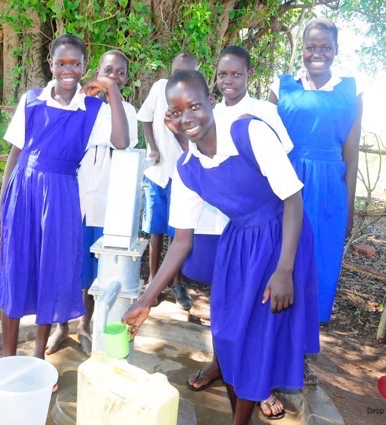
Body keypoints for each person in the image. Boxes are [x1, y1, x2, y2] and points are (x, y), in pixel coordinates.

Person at [124, 70, 319, 425]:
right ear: (169, 115)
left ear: (211, 103)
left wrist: (285, 270)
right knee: (227, 337)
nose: (188, 117)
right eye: (177, 110)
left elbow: (292, 199)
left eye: (195, 106)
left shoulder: (249, 133)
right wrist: (145, 300)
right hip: (239, 246)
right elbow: (181, 242)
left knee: (256, 339)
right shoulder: (188, 168)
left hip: (280, 239)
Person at [0, 34, 129, 401]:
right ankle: (5, 367)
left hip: (61, 197)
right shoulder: (31, 101)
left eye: (76, 64)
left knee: (51, 277)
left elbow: (122, 143)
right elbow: (15, 154)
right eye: (61, 63)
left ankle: (38, 362)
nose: (68, 71)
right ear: (51, 63)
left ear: (85, 66)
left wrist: (111, 90)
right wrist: (0, 211)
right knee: (13, 277)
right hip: (22, 194)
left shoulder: (93, 108)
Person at [184, 45, 295, 420]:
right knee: (229, 317)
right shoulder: (202, 126)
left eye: (236, 73)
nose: (229, 79)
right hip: (231, 230)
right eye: (223, 74)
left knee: (260, 322)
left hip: (267, 231)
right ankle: (230, 374)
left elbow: (284, 183)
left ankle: (258, 388)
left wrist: (284, 268)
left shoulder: (260, 118)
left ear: (249, 74)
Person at [268, 18, 363, 329]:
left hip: (328, 192)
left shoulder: (351, 90)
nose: (317, 53)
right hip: (285, 184)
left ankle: (303, 351)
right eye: (311, 47)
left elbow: (351, 152)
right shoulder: (281, 86)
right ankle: (273, 344)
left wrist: (347, 208)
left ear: (336, 50)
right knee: (279, 262)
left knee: (319, 269)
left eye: (325, 47)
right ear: (302, 50)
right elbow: (265, 142)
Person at [45, 50, 139, 356]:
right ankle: (61, 325)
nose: (113, 75)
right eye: (107, 70)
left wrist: (110, 94)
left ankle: (85, 325)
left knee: (92, 271)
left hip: (106, 204)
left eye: (119, 72)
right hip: (72, 197)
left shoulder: (128, 111)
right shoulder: (79, 106)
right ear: (95, 71)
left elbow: (122, 142)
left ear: (125, 78)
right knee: (66, 263)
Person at [138, 52, 198, 311]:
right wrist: (153, 147)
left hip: (182, 175)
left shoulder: (197, 96)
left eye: (186, 73)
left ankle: (176, 282)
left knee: (179, 233)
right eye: (176, 71)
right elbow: (145, 118)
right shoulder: (160, 88)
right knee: (156, 229)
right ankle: (153, 279)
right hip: (158, 172)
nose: (179, 77)